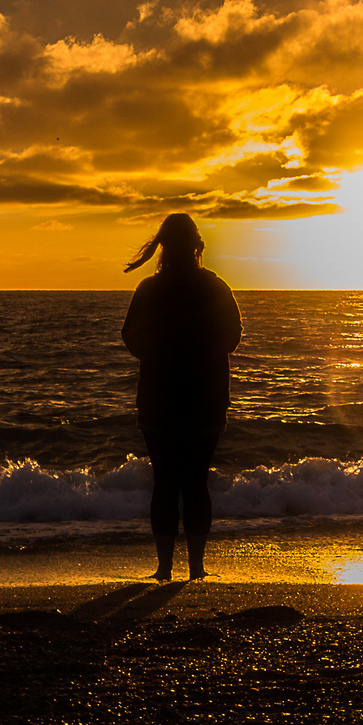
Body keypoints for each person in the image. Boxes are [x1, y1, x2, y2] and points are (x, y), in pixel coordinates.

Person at [121, 213, 242, 581]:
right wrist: (202, 353)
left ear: (163, 246)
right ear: (196, 245)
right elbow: (233, 335)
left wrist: (162, 352)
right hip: (206, 399)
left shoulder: (148, 289)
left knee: (165, 483)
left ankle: (163, 568)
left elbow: (130, 337)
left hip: (159, 398)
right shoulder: (215, 286)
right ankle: (197, 567)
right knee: (195, 482)